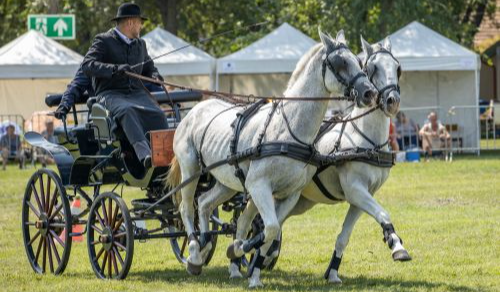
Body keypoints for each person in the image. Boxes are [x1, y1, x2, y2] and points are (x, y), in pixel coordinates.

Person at [79, 2, 167, 168]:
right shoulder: (103, 41)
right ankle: (145, 155)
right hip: (110, 94)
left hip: (136, 93)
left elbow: (149, 67)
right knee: (127, 111)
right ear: (131, 22)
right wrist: (114, 69)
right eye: (140, 22)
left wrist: (155, 76)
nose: (141, 26)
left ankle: (166, 153)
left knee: (158, 114)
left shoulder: (141, 44)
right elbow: (87, 65)